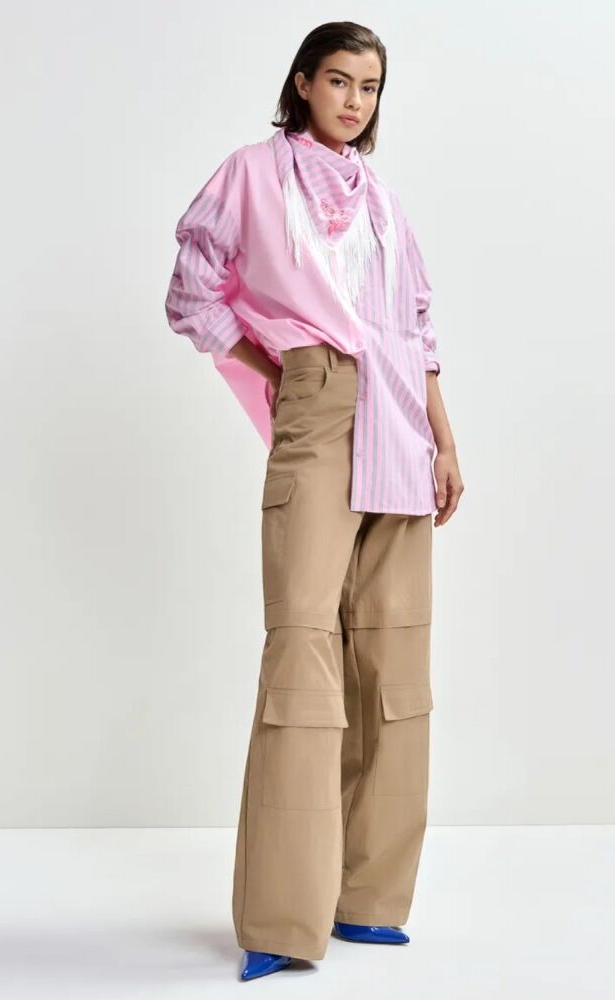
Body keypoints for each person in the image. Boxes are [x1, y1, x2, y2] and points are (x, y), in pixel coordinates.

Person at [164, 20, 464, 983]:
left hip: (402, 420)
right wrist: (284, 370)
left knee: (392, 655)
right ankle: (282, 919)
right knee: (302, 644)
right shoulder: (253, 174)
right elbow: (193, 290)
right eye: (338, 81)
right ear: (302, 83)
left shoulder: (381, 199)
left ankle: (369, 900)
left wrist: (446, 441)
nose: (353, 101)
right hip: (323, 402)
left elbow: (418, 329)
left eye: (369, 88)